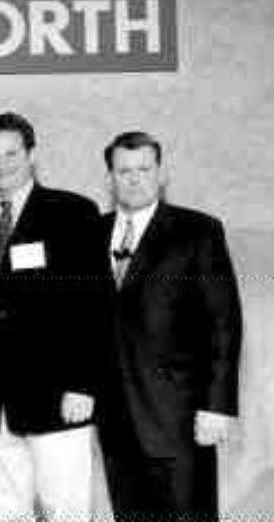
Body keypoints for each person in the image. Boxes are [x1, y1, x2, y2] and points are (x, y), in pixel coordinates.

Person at [0, 112, 109, 521]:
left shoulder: (72, 212)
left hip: (57, 397)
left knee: (65, 511)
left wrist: (83, 384)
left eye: (12, 153)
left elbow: (96, 304)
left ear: (32, 154)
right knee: (8, 512)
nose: (1, 163)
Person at [98, 131, 242, 520]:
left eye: (143, 168)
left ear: (161, 173)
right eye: (123, 170)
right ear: (109, 177)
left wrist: (218, 407)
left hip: (180, 419)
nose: (133, 178)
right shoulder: (92, 233)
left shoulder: (198, 232)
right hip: (117, 421)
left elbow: (224, 323)